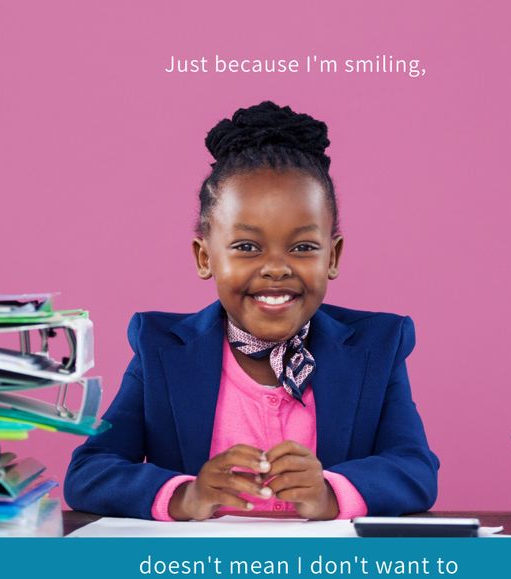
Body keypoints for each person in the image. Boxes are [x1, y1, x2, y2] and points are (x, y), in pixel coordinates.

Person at [64, 100, 439, 521]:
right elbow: (89, 472)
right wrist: (186, 496)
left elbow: (416, 470)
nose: (276, 268)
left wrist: (330, 493)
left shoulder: (378, 347)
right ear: (205, 257)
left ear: (332, 256)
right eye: (246, 247)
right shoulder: (161, 350)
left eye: (303, 247)